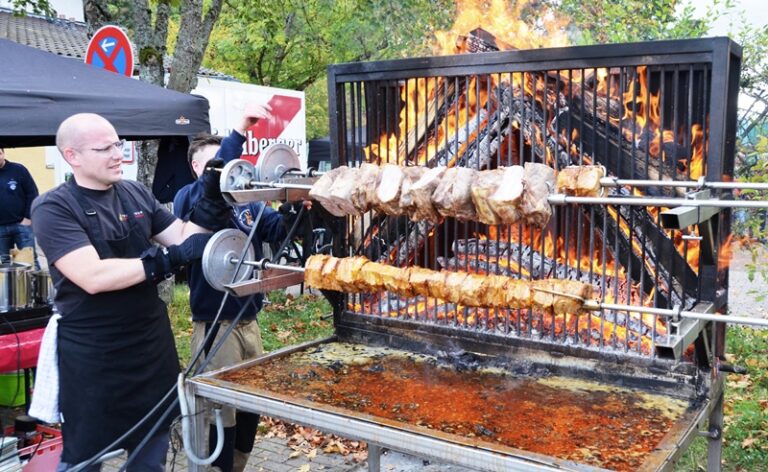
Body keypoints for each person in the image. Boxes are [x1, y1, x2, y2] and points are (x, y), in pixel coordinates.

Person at [31, 113, 232, 471]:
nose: (117, 154)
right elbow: (92, 276)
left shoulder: (134, 192)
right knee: (84, 458)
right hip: (94, 355)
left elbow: (185, 238)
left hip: (149, 347)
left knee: (150, 450)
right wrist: (165, 261)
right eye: (105, 148)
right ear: (71, 155)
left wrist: (212, 194)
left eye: (119, 145)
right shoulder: (54, 207)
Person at [173, 104, 289, 472]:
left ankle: (237, 467)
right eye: (214, 166)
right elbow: (212, 193)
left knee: (251, 406)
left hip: (248, 321)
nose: (223, 173)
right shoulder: (189, 199)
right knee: (220, 415)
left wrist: (298, 203)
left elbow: (276, 230)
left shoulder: (248, 202)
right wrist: (239, 133)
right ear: (197, 169)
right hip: (215, 324)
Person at [0, 147, 40, 266]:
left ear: (3, 153)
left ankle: (34, 285)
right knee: (6, 263)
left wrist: (28, 218)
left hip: (22, 225)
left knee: (29, 261)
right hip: (0, 228)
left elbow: (32, 193)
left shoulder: (18, 170)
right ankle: (11, 285)